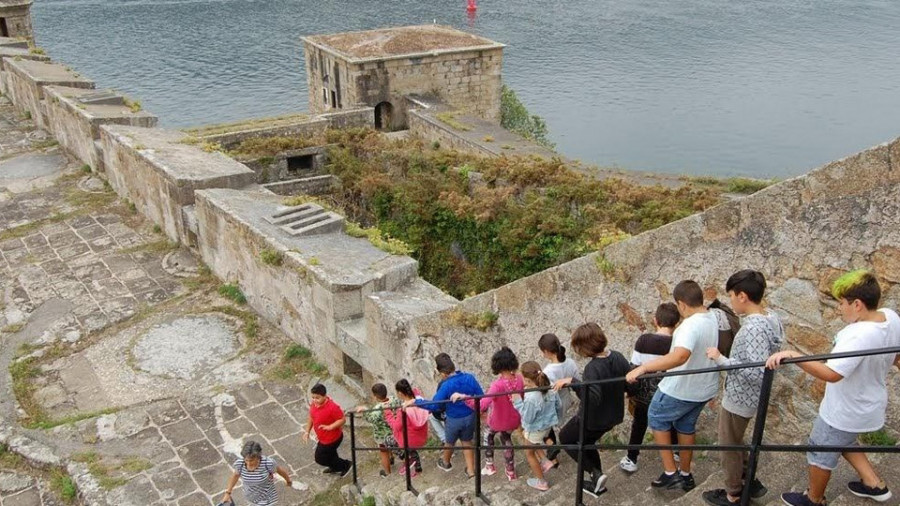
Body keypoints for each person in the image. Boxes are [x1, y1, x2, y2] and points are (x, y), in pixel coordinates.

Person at [766, 270, 900, 506]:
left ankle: (814, 499)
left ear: (857, 304)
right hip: (869, 404)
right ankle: (873, 484)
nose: (839, 309)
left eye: (842, 303)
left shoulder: (857, 335)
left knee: (820, 450)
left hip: (844, 410)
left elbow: (832, 374)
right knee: (844, 440)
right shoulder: (890, 317)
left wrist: (793, 355)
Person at [625, 280, 720, 492]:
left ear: (682, 304)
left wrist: (643, 368)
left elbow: (679, 356)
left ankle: (671, 474)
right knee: (685, 426)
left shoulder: (690, 325)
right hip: (703, 388)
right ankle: (686, 475)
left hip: (681, 387)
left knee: (656, 417)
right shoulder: (712, 317)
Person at [701, 270, 784, 506]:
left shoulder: (753, 328)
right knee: (736, 440)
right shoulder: (772, 317)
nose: (730, 301)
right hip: (752, 397)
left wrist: (720, 359)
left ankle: (733, 494)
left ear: (743, 296)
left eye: (731, 296)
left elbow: (756, 370)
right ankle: (749, 480)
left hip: (740, 398)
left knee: (728, 444)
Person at [553, 322, 630, 498]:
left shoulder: (593, 368)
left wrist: (573, 382)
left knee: (566, 438)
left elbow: (592, 398)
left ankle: (595, 473)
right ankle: (598, 483)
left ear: (585, 346)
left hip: (593, 420)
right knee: (587, 443)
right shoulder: (617, 356)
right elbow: (628, 383)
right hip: (613, 416)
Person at [620, 302, 680, 474]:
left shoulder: (644, 340)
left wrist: (629, 391)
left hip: (644, 396)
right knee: (671, 422)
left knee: (639, 424)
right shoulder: (677, 344)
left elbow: (633, 369)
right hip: (668, 394)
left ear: (655, 321)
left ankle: (631, 458)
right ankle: (676, 450)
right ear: (676, 323)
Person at [406, 353, 484, 478]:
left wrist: (416, 402)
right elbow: (480, 395)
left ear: (442, 372)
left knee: (449, 442)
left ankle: (446, 462)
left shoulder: (446, 385)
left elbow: (435, 405)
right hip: (470, 416)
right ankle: (470, 471)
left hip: (454, 419)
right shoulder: (470, 377)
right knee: (466, 442)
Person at [454, 347, 522, 480]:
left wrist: (464, 397)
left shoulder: (497, 385)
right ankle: (510, 472)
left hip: (498, 420)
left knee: (488, 434)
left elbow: (482, 404)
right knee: (506, 439)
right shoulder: (519, 379)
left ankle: (490, 466)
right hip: (513, 419)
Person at [514, 361, 561, 492]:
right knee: (534, 441)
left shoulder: (531, 397)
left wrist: (517, 402)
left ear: (527, 380)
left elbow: (528, 418)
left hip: (535, 428)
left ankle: (542, 482)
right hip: (547, 426)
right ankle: (545, 461)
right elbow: (559, 405)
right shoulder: (550, 386)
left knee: (529, 453)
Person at [538, 333, 580, 464]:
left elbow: (547, 393)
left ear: (546, 351)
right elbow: (577, 380)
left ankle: (553, 454)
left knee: (541, 424)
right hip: (566, 398)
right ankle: (554, 452)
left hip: (555, 403)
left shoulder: (548, 371)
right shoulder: (570, 362)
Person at [221, 440, 293, 506]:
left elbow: (280, 471)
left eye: (251, 460)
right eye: (246, 460)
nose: (248, 463)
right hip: (250, 496)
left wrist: (288, 480)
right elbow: (235, 476)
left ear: (258, 457)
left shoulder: (268, 463)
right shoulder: (240, 464)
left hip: (266, 498)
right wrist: (228, 493)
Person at [303, 383, 351, 476]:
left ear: (324, 396)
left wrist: (330, 427)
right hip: (323, 437)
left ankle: (346, 465)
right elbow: (311, 417)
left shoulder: (332, 407)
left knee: (320, 459)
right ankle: (335, 467)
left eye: (317, 398)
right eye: (313, 397)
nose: (314, 400)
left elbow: (342, 419)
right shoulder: (314, 404)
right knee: (331, 455)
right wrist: (307, 431)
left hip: (331, 439)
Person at [384, 379, 430, 477]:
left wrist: (388, 414)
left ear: (400, 393)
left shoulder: (404, 410)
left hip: (410, 440)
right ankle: (418, 469)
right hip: (422, 436)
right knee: (410, 446)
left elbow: (396, 427)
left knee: (388, 440)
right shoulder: (419, 400)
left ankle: (408, 459)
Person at [355, 383, 395, 477]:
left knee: (383, 452)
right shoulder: (393, 400)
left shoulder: (377, 409)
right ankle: (392, 457)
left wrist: (364, 411)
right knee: (392, 444)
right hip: (394, 430)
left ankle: (387, 473)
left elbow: (371, 419)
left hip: (382, 434)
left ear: (375, 396)